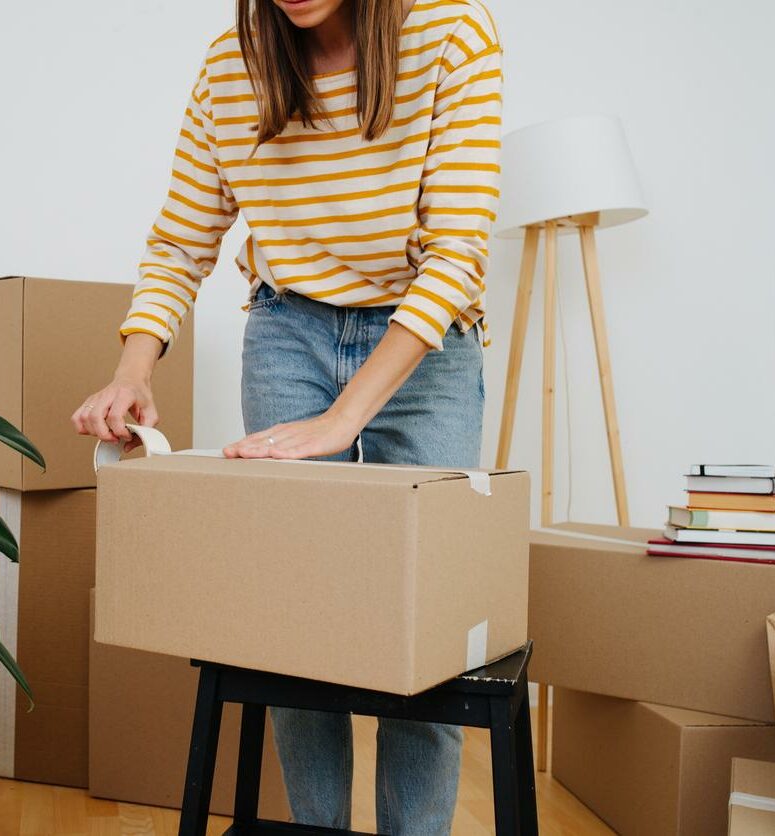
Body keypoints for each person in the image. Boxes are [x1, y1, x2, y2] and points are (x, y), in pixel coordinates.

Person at [73, 0, 501, 830]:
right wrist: (135, 368)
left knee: (430, 630)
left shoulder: (452, 34)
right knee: (298, 619)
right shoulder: (230, 68)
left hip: (426, 341)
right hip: (287, 330)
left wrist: (344, 418)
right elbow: (180, 241)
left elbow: (457, 251)